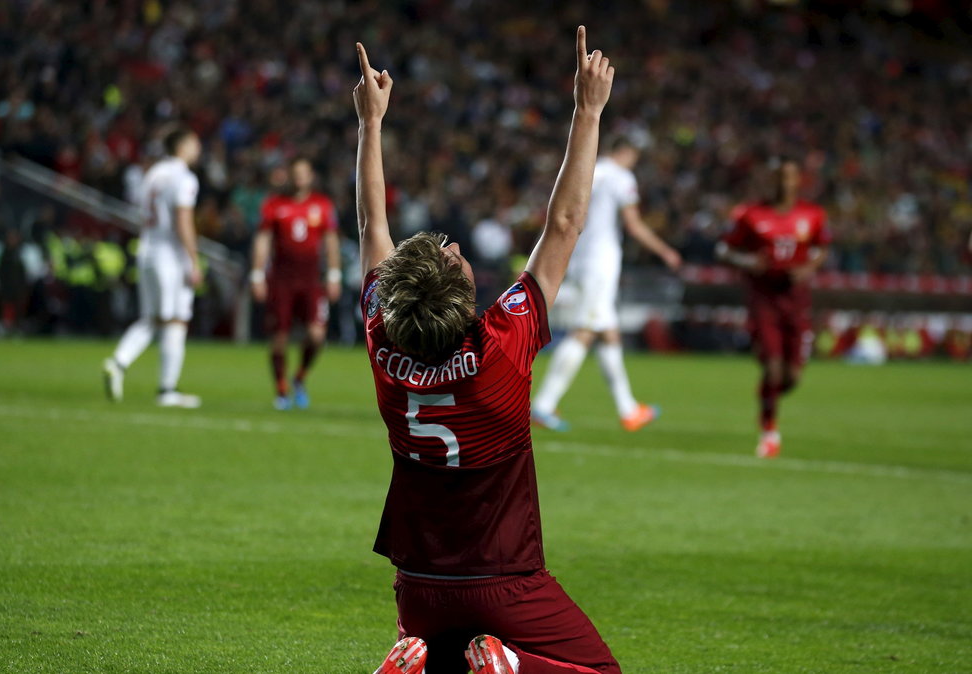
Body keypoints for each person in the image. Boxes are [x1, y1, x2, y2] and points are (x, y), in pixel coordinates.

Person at [355, 31, 621, 674]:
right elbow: (564, 226)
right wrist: (588, 112)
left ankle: (419, 660)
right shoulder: (502, 346)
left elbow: (371, 227)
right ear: (467, 288)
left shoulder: (385, 343)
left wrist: (370, 124)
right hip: (505, 576)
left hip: (417, 581)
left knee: (447, 660)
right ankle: (511, 666)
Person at [531, 136, 681, 432]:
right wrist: (665, 251)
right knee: (585, 330)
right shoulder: (620, 177)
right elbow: (633, 224)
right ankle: (543, 405)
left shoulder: (590, 170)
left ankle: (628, 409)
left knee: (608, 331)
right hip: (600, 262)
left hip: (580, 258)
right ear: (627, 151)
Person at [716, 158, 831, 458]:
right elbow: (723, 249)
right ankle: (769, 430)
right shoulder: (749, 214)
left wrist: (807, 269)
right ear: (771, 181)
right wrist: (748, 262)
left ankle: (768, 397)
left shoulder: (813, 214)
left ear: (798, 182)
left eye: (790, 177)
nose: (784, 183)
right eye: (779, 177)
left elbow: (821, 249)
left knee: (792, 377)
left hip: (797, 300)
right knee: (773, 366)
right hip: (763, 299)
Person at [102, 129, 203, 408]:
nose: (198, 149)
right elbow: (183, 221)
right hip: (170, 255)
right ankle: (167, 389)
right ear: (182, 146)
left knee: (152, 318)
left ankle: (118, 362)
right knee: (175, 320)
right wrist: (194, 260)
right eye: (194, 143)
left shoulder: (153, 173)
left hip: (146, 249)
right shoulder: (184, 177)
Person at [249, 157, 342, 409]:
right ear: (289, 175)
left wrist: (334, 275)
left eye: (304, 172)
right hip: (281, 281)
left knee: (316, 334)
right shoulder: (273, 205)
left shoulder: (322, 205)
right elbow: (263, 240)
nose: (299, 177)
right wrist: (257, 274)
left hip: (311, 281)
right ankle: (281, 388)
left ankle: (299, 377)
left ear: (311, 176)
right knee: (279, 337)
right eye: (295, 172)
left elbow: (331, 241)